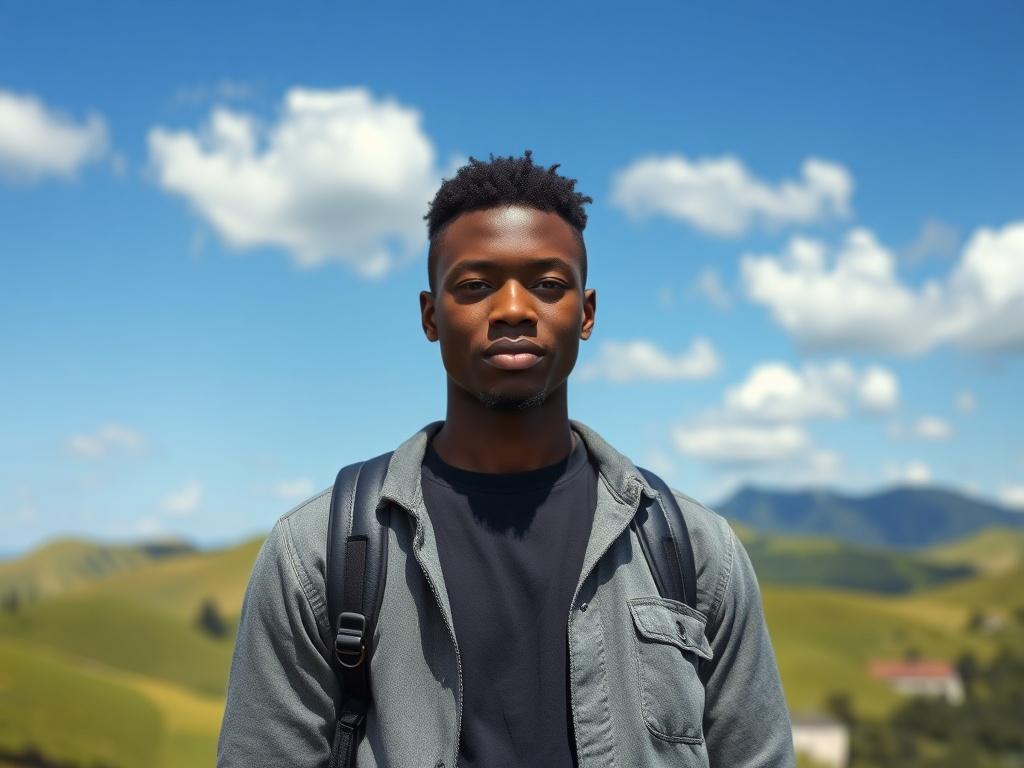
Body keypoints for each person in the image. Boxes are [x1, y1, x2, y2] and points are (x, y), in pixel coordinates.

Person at [217, 151, 795, 768]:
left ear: (587, 314)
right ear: (431, 316)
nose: (514, 308)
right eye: (475, 286)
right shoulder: (317, 553)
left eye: (548, 285)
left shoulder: (694, 550)